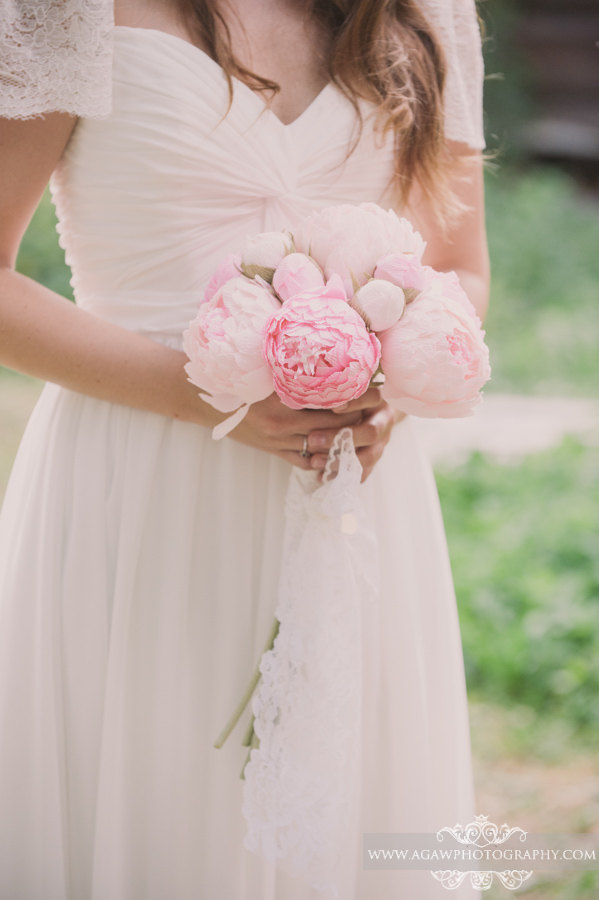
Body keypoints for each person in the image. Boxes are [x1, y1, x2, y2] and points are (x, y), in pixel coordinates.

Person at [0, 0, 490, 897]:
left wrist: (394, 389)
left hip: (350, 489)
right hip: (139, 483)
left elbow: (459, 259)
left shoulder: (426, 13)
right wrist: (198, 395)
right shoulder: (60, 8)